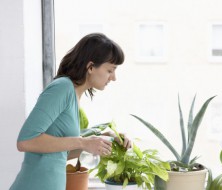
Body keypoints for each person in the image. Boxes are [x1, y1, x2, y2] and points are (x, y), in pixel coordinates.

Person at [9, 33, 131, 190]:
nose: (113, 78)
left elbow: (59, 154)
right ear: (91, 67)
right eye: (110, 70)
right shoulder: (62, 87)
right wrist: (82, 141)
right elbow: (25, 141)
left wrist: (104, 140)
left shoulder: (73, 95)